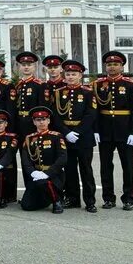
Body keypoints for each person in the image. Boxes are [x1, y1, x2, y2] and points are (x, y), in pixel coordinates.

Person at [94, 51, 133, 211]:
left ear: (121, 66)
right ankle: (108, 198)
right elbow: (95, 110)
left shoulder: (130, 84)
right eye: (109, 64)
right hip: (105, 130)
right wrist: (96, 130)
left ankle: (128, 198)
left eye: (115, 64)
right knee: (105, 166)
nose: (112, 67)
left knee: (128, 165)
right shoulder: (98, 85)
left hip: (125, 130)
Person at [52, 60, 98, 212]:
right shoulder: (58, 93)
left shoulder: (88, 92)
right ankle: (72, 199)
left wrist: (77, 132)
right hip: (66, 136)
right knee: (69, 169)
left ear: (80, 75)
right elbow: (56, 116)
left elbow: (90, 115)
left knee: (86, 169)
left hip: (83, 136)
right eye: (68, 74)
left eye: (74, 74)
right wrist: (66, 132)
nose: (71, 77)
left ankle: (90, 200)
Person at [20, 107, 67, 213]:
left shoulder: (56, 137)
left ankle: (57, 201)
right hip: (36, 175)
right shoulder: (29, 139)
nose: (41, 122)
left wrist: (47, 173)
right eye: (38, 120)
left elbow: (63, 158)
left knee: (45, 182)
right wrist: (33, 172)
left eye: (43, 119)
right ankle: (46, 199)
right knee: (26, 206)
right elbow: (25, 160)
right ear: (34, 122)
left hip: (54, 175)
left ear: (48, 121)